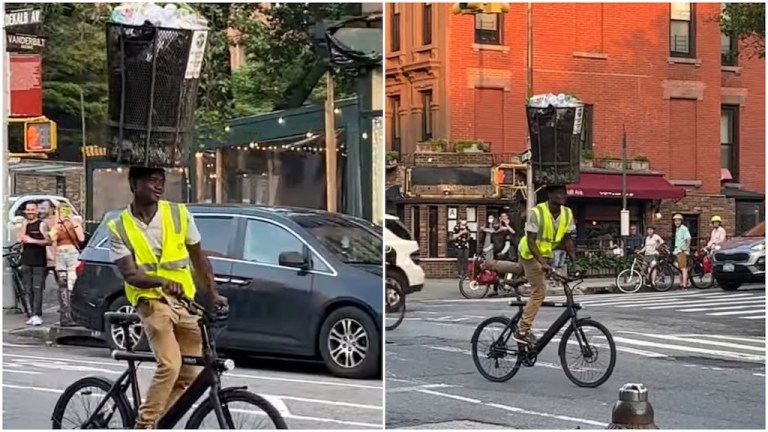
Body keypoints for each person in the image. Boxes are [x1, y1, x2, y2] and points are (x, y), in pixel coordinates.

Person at [109, 166, 228, 429]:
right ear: (133, 183)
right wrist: (161, 282)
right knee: (171, 365)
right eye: (152, 181)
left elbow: (199, 258)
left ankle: (161, 421)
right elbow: (130, 274)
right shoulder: (118, 227)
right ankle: (145, 424)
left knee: (190, 371)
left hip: (185, 302)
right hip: (151, 301)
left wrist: (213, 293)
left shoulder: (178, 214)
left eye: (161, 181)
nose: (159, 186)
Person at [515, 185, 577, 345]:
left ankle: (498, 269)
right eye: (558, 193)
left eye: (564, 193)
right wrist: (543, 263)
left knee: (527, 272)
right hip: (530, 253)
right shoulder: (537, 212)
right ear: (549, 194)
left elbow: (568, 239)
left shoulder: (567, 213)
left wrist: (575, 262)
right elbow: (530, 240)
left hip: (545, 254)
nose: (563, 196)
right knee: (539, 291)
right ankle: (522, 330)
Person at [49, 203, 86, 326]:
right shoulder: (56, 224)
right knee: (62, 285)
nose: (64, 213)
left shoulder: (74, 222)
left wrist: (71, 221)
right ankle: (65, 315)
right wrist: (58, 224)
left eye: (66, 211)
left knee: (72, 284)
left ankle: (74, 313)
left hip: (72, 253)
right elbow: (52, 239)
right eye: (61, 211)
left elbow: (81, 238)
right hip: (60, 254)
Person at [17, 202, 50, 326]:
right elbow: (19, 238)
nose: (30, 212)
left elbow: (49, 241)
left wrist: (33, 240)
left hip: (39, 261)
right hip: (26, 260)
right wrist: (22, 229)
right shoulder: (24, 224)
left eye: (32, 210)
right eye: (28, 210)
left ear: (36, 211)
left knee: (37, 289)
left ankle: (37, 314)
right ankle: (30, 314)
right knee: (27, 289)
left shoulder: (42, 225)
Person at [40, 200, 61, 287]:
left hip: (58, 255)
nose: (42, 210)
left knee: (62, 282)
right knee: (39, 282)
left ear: (52, 209)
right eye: (41, 208)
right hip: (46, 255)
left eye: (44, 208)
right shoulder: (43, 223)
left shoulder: (59, 221)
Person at [672, 214, 692, 289]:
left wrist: (686, 247)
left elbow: (688, 239)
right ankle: (682, 282)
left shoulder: (684, 229)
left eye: (678, 220)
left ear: (681, 221)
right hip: (677, 251)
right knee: (679, 267)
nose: (676, 222)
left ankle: (684, 284)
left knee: (683, 268)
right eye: (675, 221)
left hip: (682, 251)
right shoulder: (677, 229)